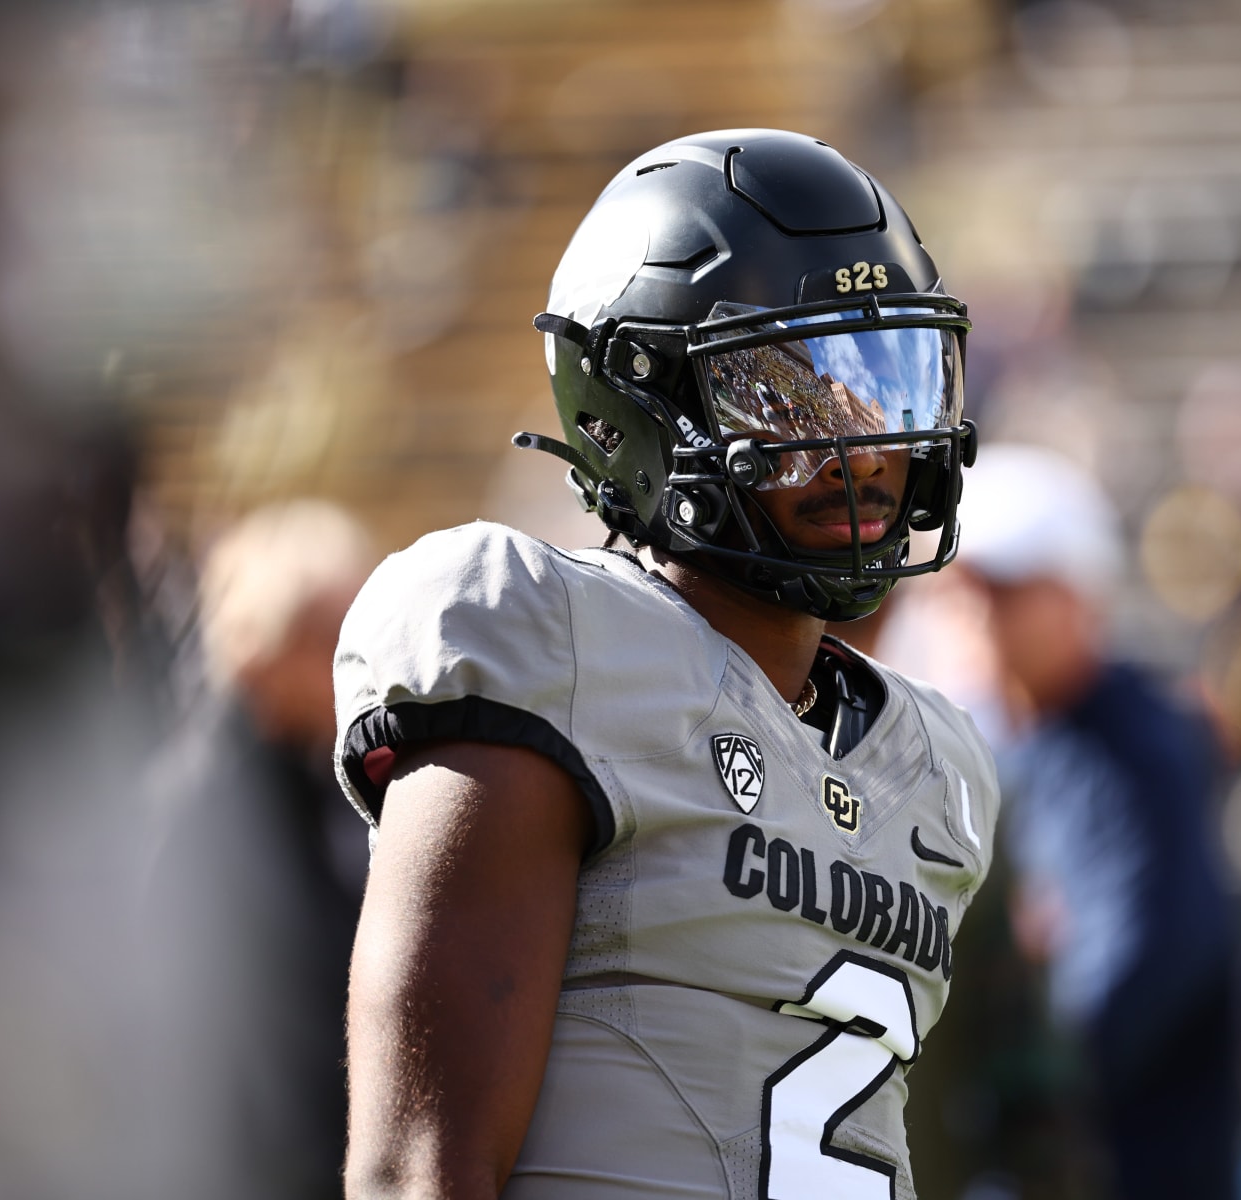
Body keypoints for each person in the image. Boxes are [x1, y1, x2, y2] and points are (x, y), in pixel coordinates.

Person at [331, 129, 1002, 1199]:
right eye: (790, 399)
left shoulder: (939, 762)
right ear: (637, 403)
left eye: (892, 383)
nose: (868, 446)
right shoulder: (545, 640)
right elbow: (419, 1171)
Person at [949, 444, 1238, 1200]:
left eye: (1008, 590)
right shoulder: (1027, 738)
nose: (981, 614)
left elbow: (1136, 967)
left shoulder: (1134, 752)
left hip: (1136, 1160)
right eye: (970, 588)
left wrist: (1007, 1099)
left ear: (1081, 596)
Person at [144, 500, 379, 1200]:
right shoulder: (201, 808)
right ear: (262, 648)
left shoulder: (325, 773)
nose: (359, 665)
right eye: (332, 639)